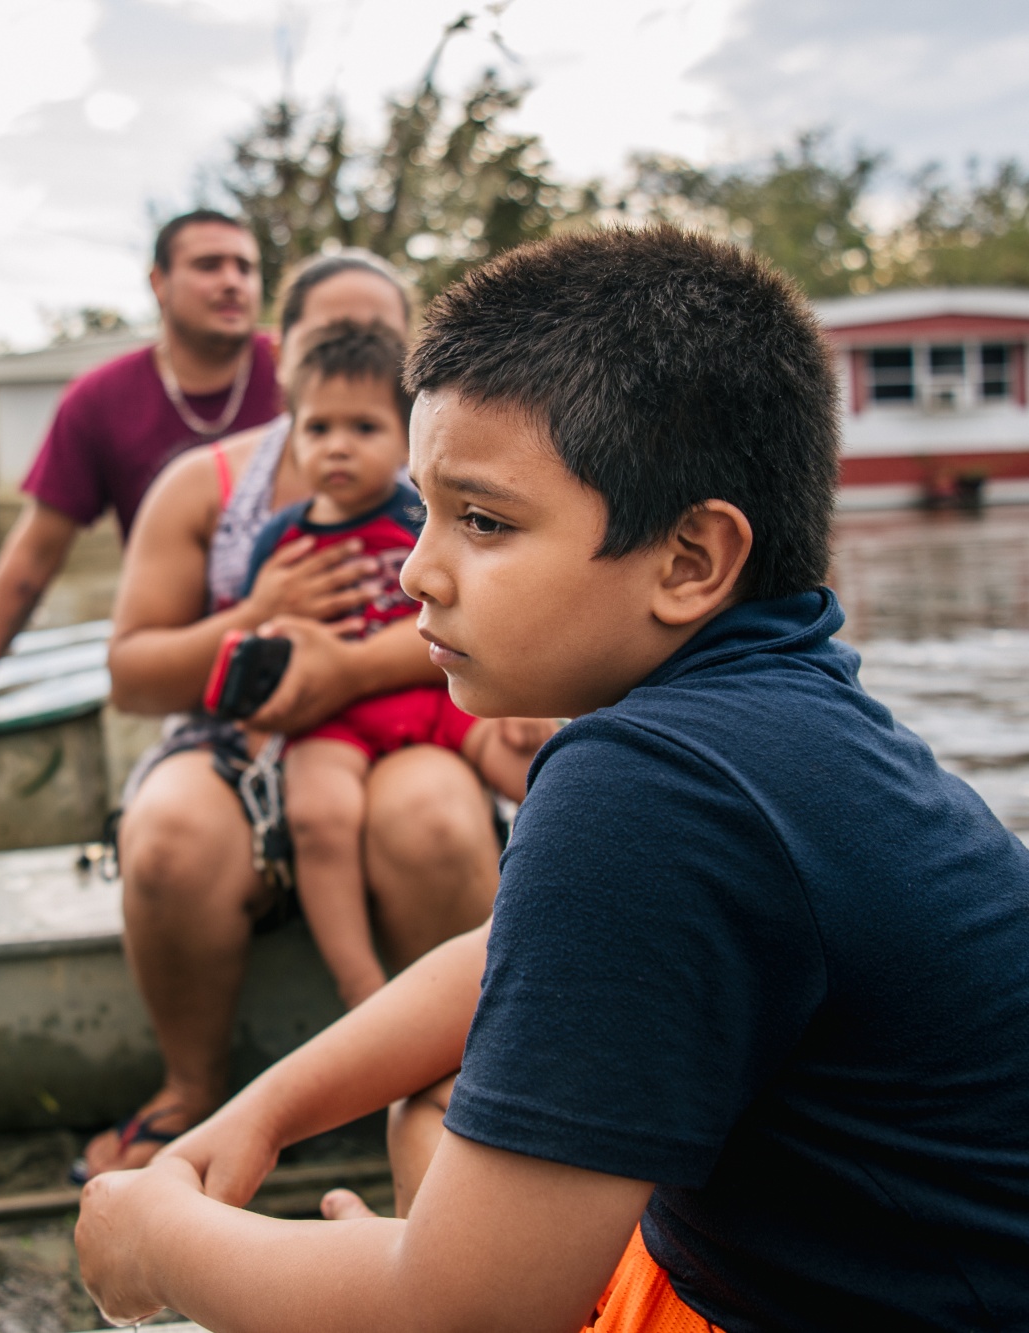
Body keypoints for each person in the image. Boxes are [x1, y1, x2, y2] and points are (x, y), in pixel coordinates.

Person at [75, 226, 1029, 1330]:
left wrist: (160, 1242)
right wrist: (264, 1110)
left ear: (687, 561)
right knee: (429, 1109)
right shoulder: (781, 710)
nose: (416, 568)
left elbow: (459, 1318)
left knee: (430, 1199)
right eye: (424, 507)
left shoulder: (648, 786)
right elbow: (505, 954)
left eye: (481, 520)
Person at [81, 253, 501, 1179]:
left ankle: (479, 1078)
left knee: (430, 817)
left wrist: (347, 669)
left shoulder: (449, 467)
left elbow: (493, 615)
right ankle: (191, 1086)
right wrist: (253, 611)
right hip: (238, 732)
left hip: (406, 709)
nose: (352, 354)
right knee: (170, 837)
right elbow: (133, 674)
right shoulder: (208, 484)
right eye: (326, 336)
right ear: (285, 355)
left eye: (380, 340)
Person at [0, 209, 281, 759]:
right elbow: (33, 556)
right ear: (158, 282)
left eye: (246, 268)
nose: (233, 281)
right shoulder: (99, 402)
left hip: (309, 629)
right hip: (185, 660)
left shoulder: (301, 374)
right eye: (209, 265)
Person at [240, 322, 554, 1010]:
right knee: (319, 815)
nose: (339, 445)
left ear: (407, 439)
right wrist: (263, 729)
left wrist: (524, 695)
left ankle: (580, 907)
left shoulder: (427, 515)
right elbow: (265, 655)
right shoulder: (280, 539)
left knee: (543, 767)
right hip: (333, 720)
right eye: (317, 428)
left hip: (434, 688)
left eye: (364, 426)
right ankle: (361, 986)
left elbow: (484, 611)